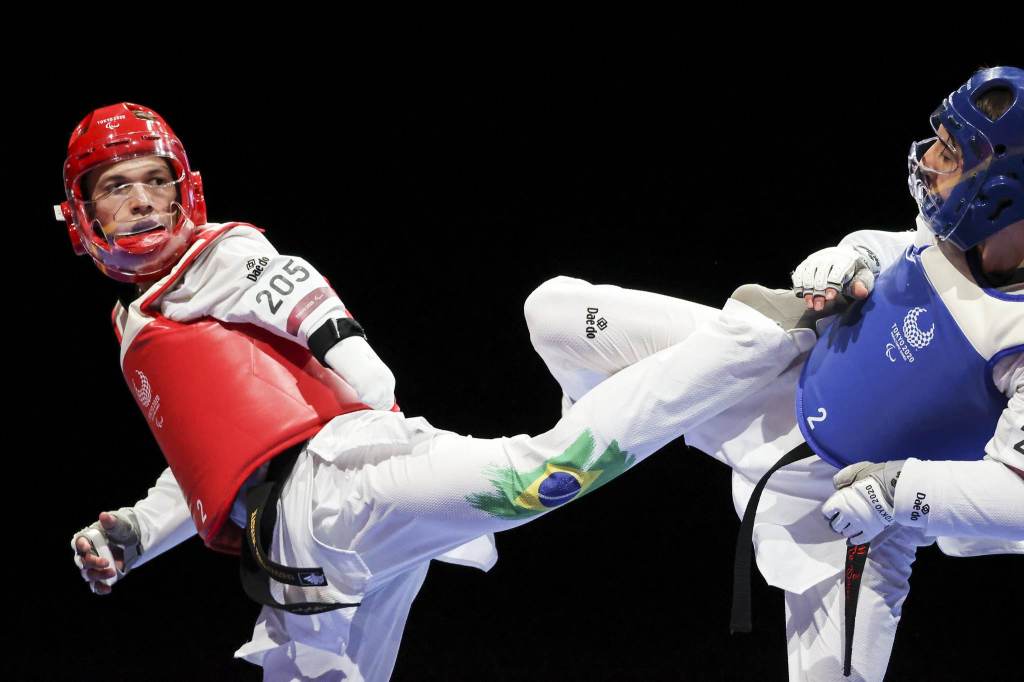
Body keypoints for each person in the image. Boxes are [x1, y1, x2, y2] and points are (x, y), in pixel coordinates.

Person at [64, 102, 815, 681]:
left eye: (154, 179)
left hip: (341, 485)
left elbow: (311, 308)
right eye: (117, 187)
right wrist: (133, 532)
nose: (140, 200)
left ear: (183, 187)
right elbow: (210, 458)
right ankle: (697, 348)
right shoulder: (141, 321)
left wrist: (360, 380)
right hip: (301, 550)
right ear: (82, 214)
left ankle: (748, 338)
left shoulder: (216, 255)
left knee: (539, 475)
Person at [523, 66, 1023, 681]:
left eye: (951, 154)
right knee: (554, 313)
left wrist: (895, 493)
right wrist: (854, 258)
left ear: (1004, 184)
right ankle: (565, 466)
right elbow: (901, 248)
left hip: (854, 511)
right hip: (769, 387)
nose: (929, 163)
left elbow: (1019, 498)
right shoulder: (957, 231)